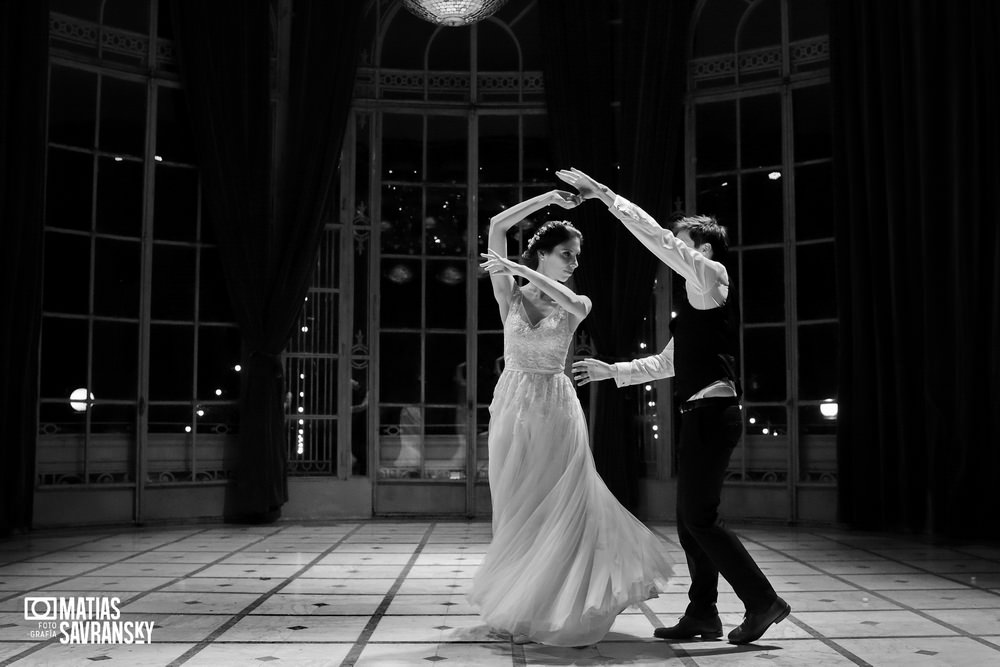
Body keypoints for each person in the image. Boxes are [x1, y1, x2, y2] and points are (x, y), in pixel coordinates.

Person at [558, 167, 790, 646]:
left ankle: (762, 600)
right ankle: (703, 614)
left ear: (700, 250)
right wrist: (613, 371)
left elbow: (657, 238)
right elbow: (667, 363)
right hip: (700, 416)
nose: (673, 252)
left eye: (682, 244)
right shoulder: (695, 305)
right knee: (690, 522)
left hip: (713, 415)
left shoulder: (712, 276)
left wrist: (604, 195)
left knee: (700, 519)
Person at [468, 189, 673, 647]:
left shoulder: (576, 302)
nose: (574, 263)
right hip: (514, 405)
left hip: (556, 406)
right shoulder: (510, 296)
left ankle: (553, 608)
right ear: (543, 253)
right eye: (566, 254)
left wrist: (520, 268)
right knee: (518, 507)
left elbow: (572, 303)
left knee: (558, 506)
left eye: (577, 256)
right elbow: (499, 227)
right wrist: (546, 199)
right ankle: (522, 608)